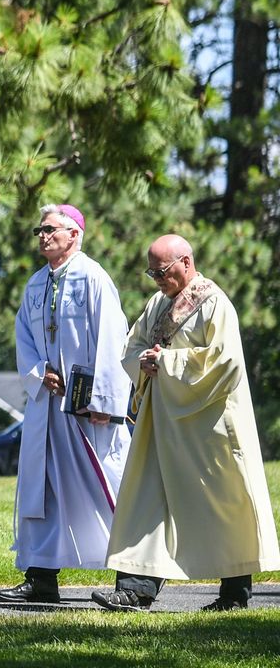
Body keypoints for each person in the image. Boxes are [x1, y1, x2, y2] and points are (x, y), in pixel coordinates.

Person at [92, 235, 280, 612]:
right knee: (148, 501)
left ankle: (233, 596)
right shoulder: (157, 304)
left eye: (162, 271)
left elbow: (225, 362)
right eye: (152, 272)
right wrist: (143, 362)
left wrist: (167, 363)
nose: (157, 279)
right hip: (161, 424)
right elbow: (133, 347)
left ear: (186, 263)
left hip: (209, 425)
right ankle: (135, 589)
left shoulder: (215, 304)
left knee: (225, 504)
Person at [0, 204, 132, 604]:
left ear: (75, 234)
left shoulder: (94, 279)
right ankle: (40, 577)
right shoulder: (36, 285)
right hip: (48, 408)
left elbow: (112, 339)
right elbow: (23, 338)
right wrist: (39, 373)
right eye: (39, 229)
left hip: (88, 409)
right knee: (42, 490)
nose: (42, 235)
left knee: (108, 484)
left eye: (51, 229)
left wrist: (104, 400)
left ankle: (135, 575)